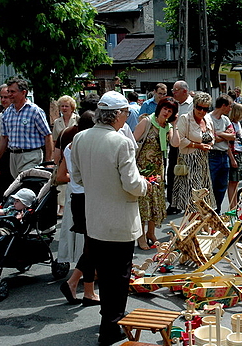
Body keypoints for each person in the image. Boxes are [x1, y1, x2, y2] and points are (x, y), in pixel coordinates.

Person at [71, 91, 148, 345]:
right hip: (119, 220)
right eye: (126, 113)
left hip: (95, 218)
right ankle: (111, 325)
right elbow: (133, 185)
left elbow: (79, 178)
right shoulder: (121, 142)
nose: (127, 117)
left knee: (105, 272)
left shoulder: (81, 138)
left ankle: (109, 319)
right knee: (120, 275)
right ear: (116, 114)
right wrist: (146, 184)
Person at [56, 111, 99, 307]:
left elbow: (60, 175)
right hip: (88, 197)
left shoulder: (70, 146)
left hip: (76, 198)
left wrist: (74, 179)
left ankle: (86, 289)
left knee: (91, 246)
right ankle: (75, 283)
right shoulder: (88, 146)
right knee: (93, 245)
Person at [134, 97, 180, 249]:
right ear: (160, 108)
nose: (167, 112)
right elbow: (132, 142)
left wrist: (175, 125)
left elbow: (175, 143)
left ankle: (151, 233)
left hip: (158, 169)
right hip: (142, 169)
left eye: (170, 110)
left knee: (155, 202)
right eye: (165, 109)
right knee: (142, 203)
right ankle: (140, 236)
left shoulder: (167, 126)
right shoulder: (147, 122)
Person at [0, 78, 54, 178]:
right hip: (13, 156)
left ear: (23, 92)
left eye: (12, 92)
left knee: (26, 187)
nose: (9, 94)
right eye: (8, 91)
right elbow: (4, 138)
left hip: (30, 156)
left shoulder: (35, 111)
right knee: (18, 186)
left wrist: (48, 161)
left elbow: (47, 135)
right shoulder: (7, 113)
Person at [173, 92, 216, 212]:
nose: (202, 111)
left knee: (204, 195)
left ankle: (202, 225)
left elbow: (212, 136)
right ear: (194, 105)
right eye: (199, 108)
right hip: (189, 161)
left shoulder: (207, 119)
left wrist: (210, 144)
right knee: (193, 198)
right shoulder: (185, 119)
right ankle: (191, 225)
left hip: (203, 162)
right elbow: (180, 140)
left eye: (205, 109)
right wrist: (198, 146)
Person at [168, 81, 194, 214]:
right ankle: (173, 203)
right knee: (173, 171)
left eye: (176, 90)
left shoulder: (193, 104)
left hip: (189, 144)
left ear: (185, 91)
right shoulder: (172, 104)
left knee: (187, 173)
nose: (173, 92)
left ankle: (188, 202)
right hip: (174, 142)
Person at [52, 95, 79, 218]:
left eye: (66, 106)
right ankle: (62, 206)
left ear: (72, 107)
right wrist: (54, 157)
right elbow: (54, 140)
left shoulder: (77, 119)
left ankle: (66, 205)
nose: (64, 108)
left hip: (74, 153)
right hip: (61, 153)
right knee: (62, 180)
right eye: (62, 106)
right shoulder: (57, 122)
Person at [208, 94, 235, 213]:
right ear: (223, 106)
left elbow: (232, 135)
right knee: (211, 185)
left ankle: (217, 210)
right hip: (212, 155)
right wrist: (224, 135)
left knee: (221, 187)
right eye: (230, 106)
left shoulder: (225, 119)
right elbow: (212, 138)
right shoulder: (208, 118)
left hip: (224, 155)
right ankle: (210, 211)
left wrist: (221, 134)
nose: (230, 109)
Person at [227, 103, 242, 209]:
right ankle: (232, 205)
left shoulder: (237, 123)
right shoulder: (231, 124)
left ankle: (235, 203)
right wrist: (232, 159)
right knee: (232, 181)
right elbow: (228, 144)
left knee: (236, 181)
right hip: (234, 153)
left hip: (239, 152)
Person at [0, 85, 13, 202]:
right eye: (1, 97)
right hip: (4, 154)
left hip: (16, 152)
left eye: (6, 97)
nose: (3, 100)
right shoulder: (0, 117)